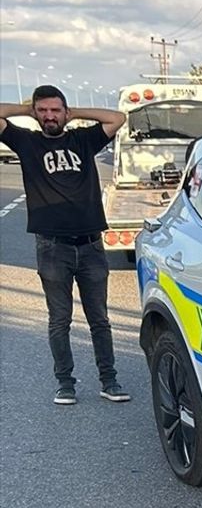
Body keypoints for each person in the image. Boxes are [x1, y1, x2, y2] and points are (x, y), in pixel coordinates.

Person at [0, 86, 129, 405]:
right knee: (60, 320)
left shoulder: (83, 140)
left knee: (99, 319)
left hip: (91, 244)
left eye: (55, 110)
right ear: (35, 112)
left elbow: (117, 118)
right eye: (43, 110)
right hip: (52, 246)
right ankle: (65, 383)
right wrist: (26, 110)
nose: (49, 116)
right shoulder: (26, 142)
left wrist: (74, 113)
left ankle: (109, 381)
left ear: (65, 112)